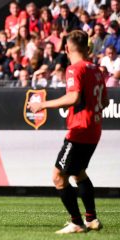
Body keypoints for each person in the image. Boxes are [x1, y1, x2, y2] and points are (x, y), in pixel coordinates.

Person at [28, 30, 108, 234]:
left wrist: (43, 104)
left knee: (58, 177)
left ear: (66, 49)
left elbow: (73, 97)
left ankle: (77, 223)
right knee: (78, 173)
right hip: (94, 129)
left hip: (79, 130)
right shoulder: (97, 69)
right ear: (87, 47)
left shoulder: (74, 69)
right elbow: (105, 101)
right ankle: (91, 219)